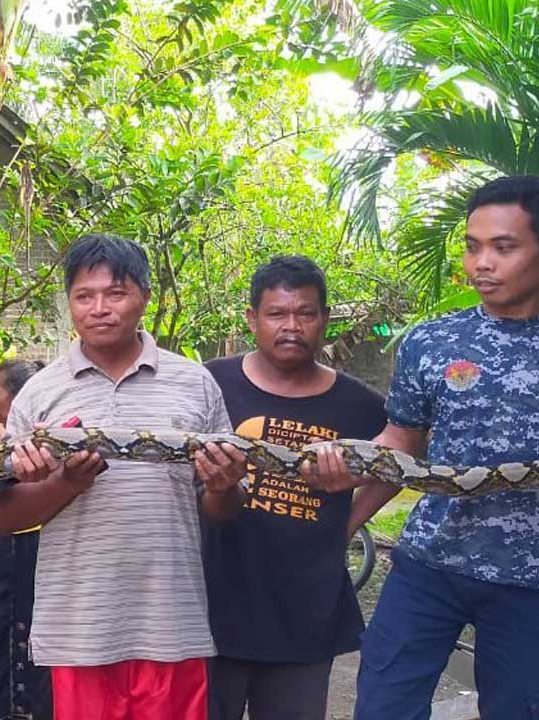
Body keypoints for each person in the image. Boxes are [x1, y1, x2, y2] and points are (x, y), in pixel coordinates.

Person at [306, 176, 539, 720]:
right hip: (429, 566)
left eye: (502, 247)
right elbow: (401, 442)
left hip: (534, 577)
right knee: (383, 706)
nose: (481, 264)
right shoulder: (431, 341)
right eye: (472, 246)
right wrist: (343, 492)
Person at [0, 233, 248, 720]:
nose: (99, 309)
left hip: (172, 624)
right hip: (77, 629)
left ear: (145, 297)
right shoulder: (40, 394)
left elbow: (224, 509)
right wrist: (65, 484)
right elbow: (4, 518)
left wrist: (224, 484)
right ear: (69, 303)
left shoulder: (194, 384)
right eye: (84, 296)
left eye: (116, 293)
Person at [201, 256, 387, 720]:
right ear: (252, 319)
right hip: (212, 605)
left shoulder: (360, 404)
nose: (291, 326)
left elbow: (403, 457)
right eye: (276, 314)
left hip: (305, 609)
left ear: (324, 319)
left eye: (305, 313)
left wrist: (351, 521)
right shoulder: (210, 382)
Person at [0, 358, 50, 720]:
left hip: (26, 540)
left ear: (17, 398)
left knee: (21, 636)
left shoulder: (32, 435)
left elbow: (13, 458)